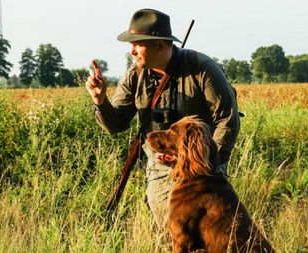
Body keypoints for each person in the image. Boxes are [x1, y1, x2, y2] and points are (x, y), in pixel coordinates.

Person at [86, 8, 240, 232]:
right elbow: (116, 124)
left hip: (203, 171)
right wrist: (100, 100)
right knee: (171, 239)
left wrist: (209, 165)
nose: (132, 51)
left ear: (159, 45)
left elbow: (227, 119)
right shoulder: (134, 76)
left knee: (211, 237)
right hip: (160, 170)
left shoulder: (202, 69)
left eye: (137, 44)